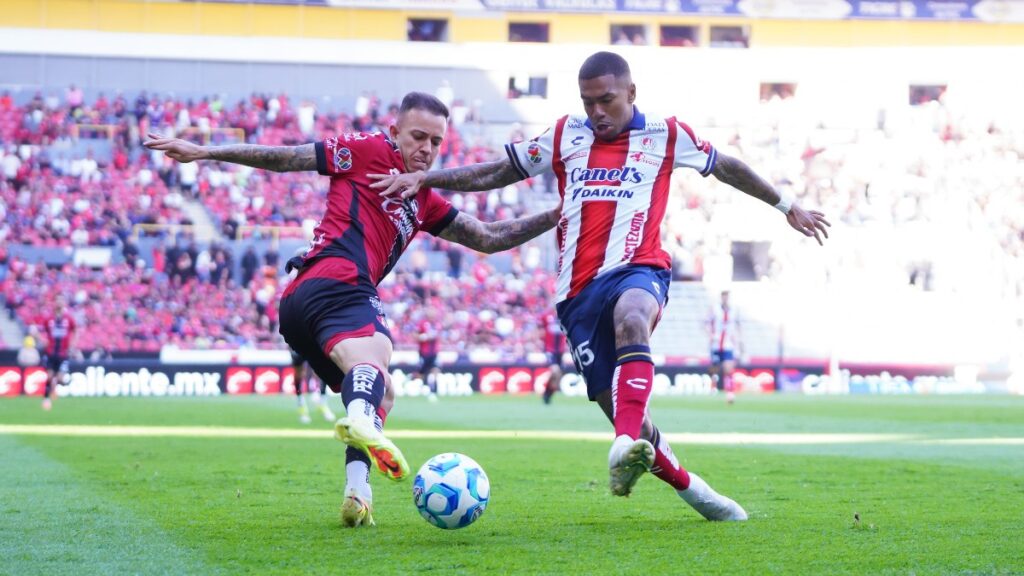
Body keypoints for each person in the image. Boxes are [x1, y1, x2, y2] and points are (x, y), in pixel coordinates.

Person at [370, 52, 830, 521]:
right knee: (628, 414)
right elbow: (497, 172)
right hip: (576, 294)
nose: (597, 112)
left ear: (631, 93)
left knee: (632, 317)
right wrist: (428, 177)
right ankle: (695, 490)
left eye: (606, 100)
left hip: (639, 267)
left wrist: (786, 204)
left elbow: (727, 166)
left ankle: (625, 441)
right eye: (588, 102)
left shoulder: (668, 135)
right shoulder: (565, 133)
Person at [144, 92, 560, 528]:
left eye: (436, 142)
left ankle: (358, 493)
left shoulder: (424, 199)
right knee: (377, 354)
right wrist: (209, 151)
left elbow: (488, 237)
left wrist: (555, 215)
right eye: (418, 136)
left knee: (383, 393)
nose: (427, 149)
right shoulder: (367, 150)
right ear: (394, 130)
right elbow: (288, 158)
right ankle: (359, 420)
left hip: (303, 306)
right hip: (336, 280)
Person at [39, 295, 76, 411]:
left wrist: (73, 344)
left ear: (64, 303)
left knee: (60, 378)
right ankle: (46, 399)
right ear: (54, 302)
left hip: (63, 353)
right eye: (58, 300)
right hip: (50, 352)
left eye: (62, 300)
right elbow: (39, 331)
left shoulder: (68, 319)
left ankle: (56, 385)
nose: (60, 302)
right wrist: (43, 340)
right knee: (49, 376)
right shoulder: (49, 319)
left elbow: (75, 330)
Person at [707, 289, 743, 404]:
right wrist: (710, 335)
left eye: (727, 296)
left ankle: (730, 393)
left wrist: (739, 340)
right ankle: (713, 386)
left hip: (728, 343)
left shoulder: (734, 310)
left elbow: (738, 325)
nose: (725, 298)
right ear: (721, 297)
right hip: (716, 343)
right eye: (724, 296)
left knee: (729, 368)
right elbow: (706, 323)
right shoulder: (714, 309)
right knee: (715, 368)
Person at [291, 347, 336, 425]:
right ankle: (301, 406)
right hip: (299, 340)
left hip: (314, 340)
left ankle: (323, 404)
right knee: (299, 373)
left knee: (321, 370)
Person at [412, 308, 441, 402]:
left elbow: (439, 335)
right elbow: (415, 335)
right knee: (421, 374)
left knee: (435, 371)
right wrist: (423, 337)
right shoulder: (422, 323)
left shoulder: (437, 324)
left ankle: (433, 392)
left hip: (434, 353)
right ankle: (412, 382)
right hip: (424, 353)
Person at [541, 310, 566, 405]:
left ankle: (548, 394)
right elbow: (540, 330)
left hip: (560, 351)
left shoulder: (563, 316)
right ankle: (546, 394)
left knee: (558, 376)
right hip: (550, 350)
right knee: (555, 371)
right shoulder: (547, 316)